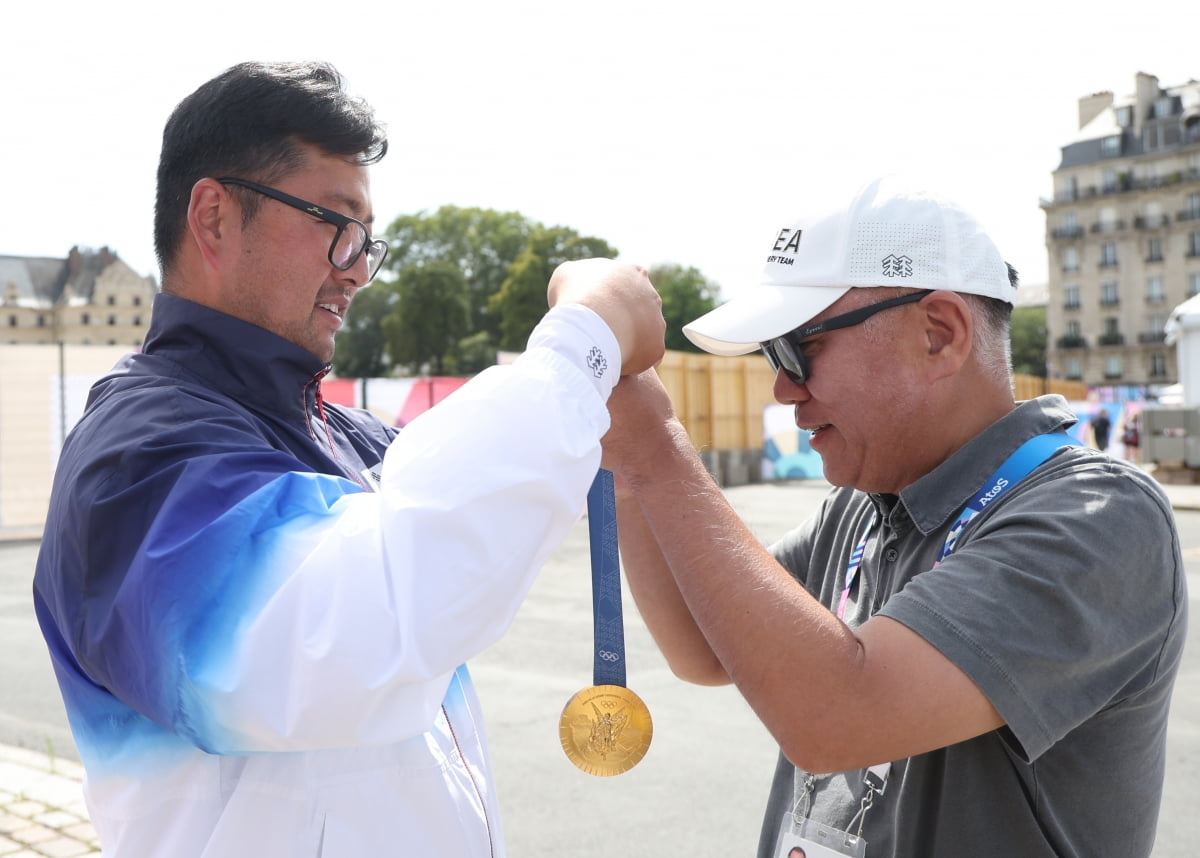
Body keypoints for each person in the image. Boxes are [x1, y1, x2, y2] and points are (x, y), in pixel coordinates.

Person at [32, 61, 665, 858]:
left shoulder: (347, 436)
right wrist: (584, 339)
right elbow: (377, 617)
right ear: (215, 217)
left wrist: (609, 419)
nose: (358, 268)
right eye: (335, 223)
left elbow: (486, 514)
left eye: (368, 240)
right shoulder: (138, 458)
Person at [601, 176, 1186, 857]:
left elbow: (834, 716)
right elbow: (702, 647)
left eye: (799, 349)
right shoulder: (865, 505)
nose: (782, 388)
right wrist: (625, 457)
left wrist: (658, 454)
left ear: (939, 334)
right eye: (772, 354)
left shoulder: (1096, 516)